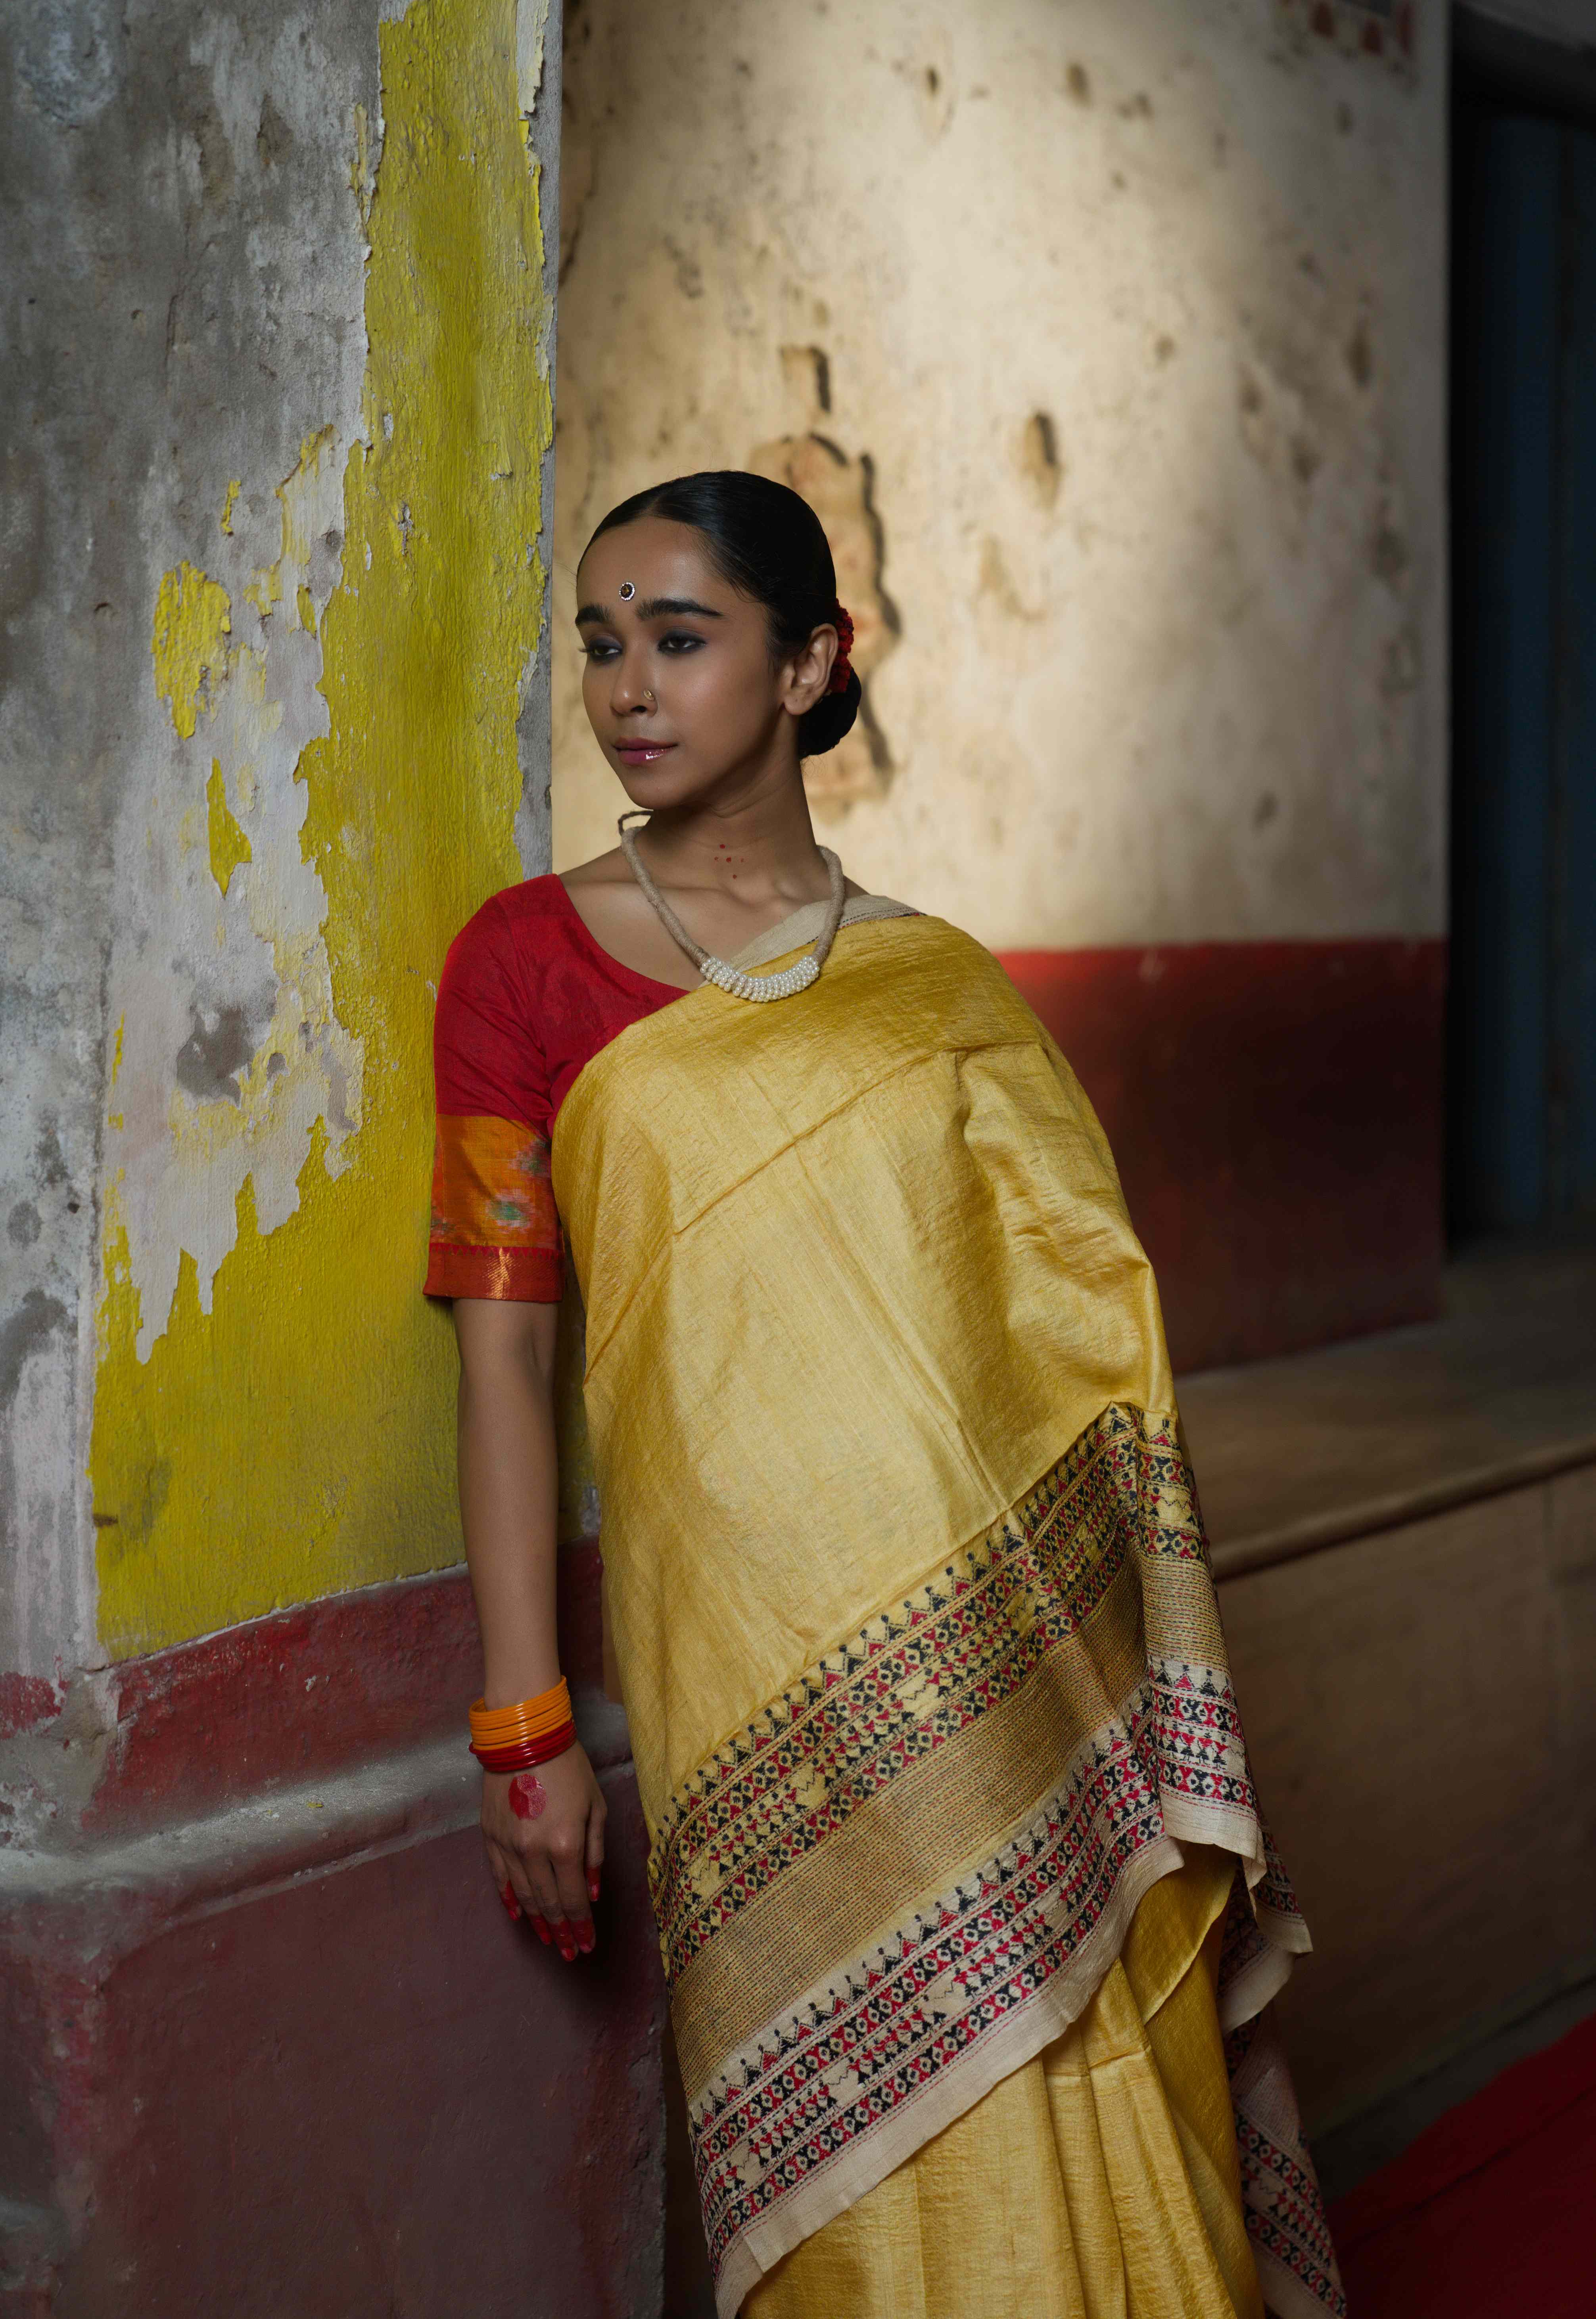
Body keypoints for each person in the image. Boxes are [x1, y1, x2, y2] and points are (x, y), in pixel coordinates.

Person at [425, 472, 1345, 2319]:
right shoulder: (519, 968)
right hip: (744, 1655)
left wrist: (1120, 1658)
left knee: (1078, 2051)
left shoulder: (937, 988)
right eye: (601, 642)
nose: (627, 684)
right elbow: (506, 1357)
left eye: (681, 638)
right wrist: (523, 1728)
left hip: (1012, 1666)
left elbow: (1082, 1327)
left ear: (808, 662)